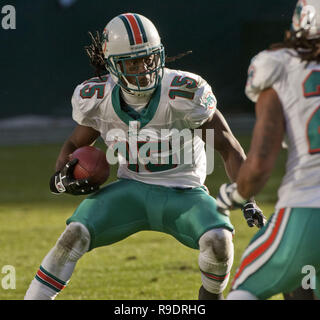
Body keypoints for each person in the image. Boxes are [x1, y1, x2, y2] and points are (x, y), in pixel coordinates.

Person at [24, 13, 264, 300]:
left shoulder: (184, 93)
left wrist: (247, 198)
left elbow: (228, 146)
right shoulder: (99, 98)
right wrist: (62, 178)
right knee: (73, 235)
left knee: (219, 241)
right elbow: (74, 143)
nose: (144, 69)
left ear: (158, 55)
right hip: (131, 189)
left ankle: (209, 299)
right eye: (133, 62)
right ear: (113, 63)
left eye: (148, 59)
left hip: (185, 193)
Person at [216, 0, 320, 300]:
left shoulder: (280, 66)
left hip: (307, 208)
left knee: (245, 289)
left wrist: (233, 195)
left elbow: (260, 163)